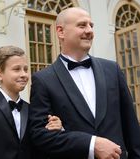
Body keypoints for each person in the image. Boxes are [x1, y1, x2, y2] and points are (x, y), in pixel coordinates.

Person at [29, 7, 140, 159]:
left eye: (91, 25)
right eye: (82, 25)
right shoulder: (43, 80)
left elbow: (131, 125)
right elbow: (40, 135)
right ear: (61, 32)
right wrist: (91, 144)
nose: (89, 31)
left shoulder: (112, 69)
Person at [0, 45, 62, 159]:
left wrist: (57, 129)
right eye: (17, 69)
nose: (24, 74)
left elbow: (42, 149)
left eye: (26, 69)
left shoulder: (31, 109)